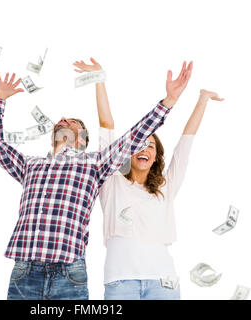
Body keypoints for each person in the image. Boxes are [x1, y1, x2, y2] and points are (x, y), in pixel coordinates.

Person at [0, 65, 191, 300]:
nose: (62, 119)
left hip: (69, 274)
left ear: (82, 138)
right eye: (61, 120)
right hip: (25, 271)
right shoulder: (30, 165)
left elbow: (133, 138)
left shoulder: (93, 164)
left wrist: (169, 101)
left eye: (71, 122)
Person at [75, 58, 222, 300]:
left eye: (151, 146)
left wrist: (202, 100)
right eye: (140, 144)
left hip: (163, 283)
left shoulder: (166, 186)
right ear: (128, 153)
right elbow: (106, 127)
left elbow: (185, 144)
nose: (144, 149)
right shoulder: (111, 180)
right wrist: (99, 80)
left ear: (156, 156)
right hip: (121, 282)